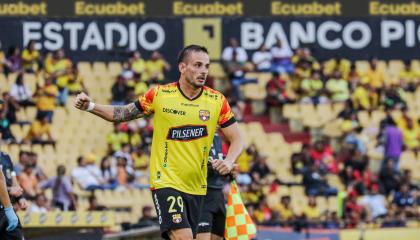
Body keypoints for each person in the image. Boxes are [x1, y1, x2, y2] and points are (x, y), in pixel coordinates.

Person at [74, 45, 244, 240]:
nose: (203, 71)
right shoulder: (160, 95)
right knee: (184, 237)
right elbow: (122, 113)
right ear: (182, 67)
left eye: (206, 66)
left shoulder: (216, 100)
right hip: (166, 181)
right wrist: (91, 106)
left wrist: (229, 161)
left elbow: (237, 138)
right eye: (197, 65)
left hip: (197, 187)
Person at [197, 132, 228, 240]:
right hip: (203, 195)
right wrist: (215, 166)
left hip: (218, 195)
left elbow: (217, 158)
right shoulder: (197, 134)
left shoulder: (217, 136)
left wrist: (228, 168)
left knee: (219, 237)